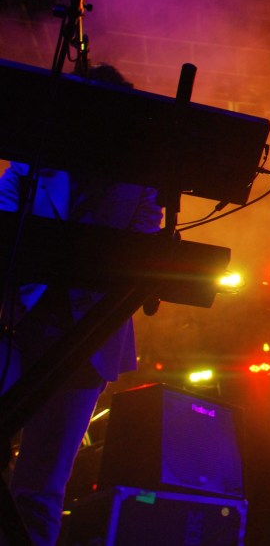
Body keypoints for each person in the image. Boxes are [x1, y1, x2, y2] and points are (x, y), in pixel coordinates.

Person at [0, 64, 163, 546]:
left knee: (41, 486)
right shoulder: (31, 164)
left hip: (87, 343)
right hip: (15, 326)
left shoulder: (142, 180)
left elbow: (143, 251)